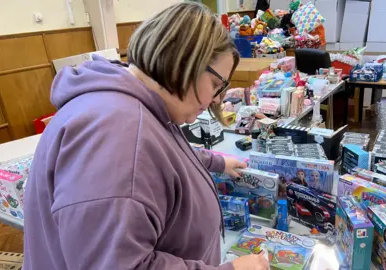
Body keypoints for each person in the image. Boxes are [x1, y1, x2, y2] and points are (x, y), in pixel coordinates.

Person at [23, 3, 269, 270]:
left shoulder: (141, 106)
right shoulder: (118, 134)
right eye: (216, 85)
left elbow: (165, 155)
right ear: (184, 62)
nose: (216, 99)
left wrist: (217, 162)